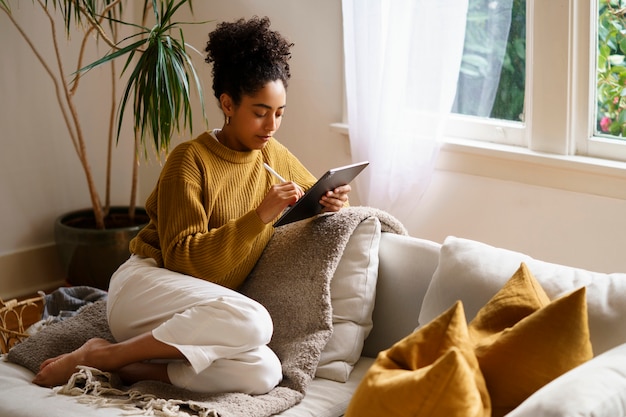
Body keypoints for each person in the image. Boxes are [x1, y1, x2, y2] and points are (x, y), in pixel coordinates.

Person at [32, 16, 351, 394]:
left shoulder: (272, 154)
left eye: (279, 113)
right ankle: (107, 357)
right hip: (146, 289)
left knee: (264, 371)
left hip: (201, 316)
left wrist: (333, 203)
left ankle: (131, 366)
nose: (271, 126)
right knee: (256, 322)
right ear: (228, 103)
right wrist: (260, 216)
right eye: (260, 112)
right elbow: (183, 260)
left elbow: (313, 194)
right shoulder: (190, 159)